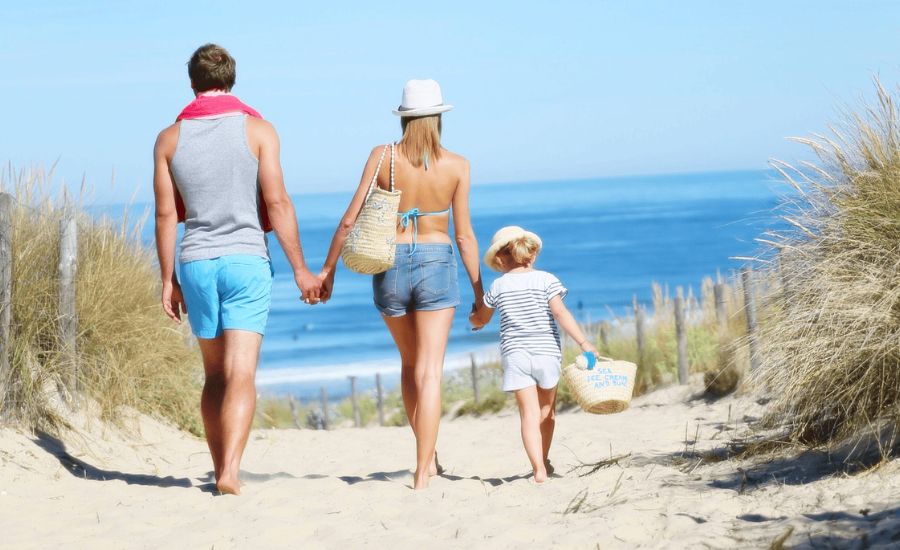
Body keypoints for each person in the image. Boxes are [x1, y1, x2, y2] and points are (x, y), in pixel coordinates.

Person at [153, 43, 321, 495]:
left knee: (215, 375)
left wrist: (167, 279)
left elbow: (167, 215)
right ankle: (230, 470)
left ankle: (217, 467)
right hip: (247, 259)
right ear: (231, 80)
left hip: (197, 263)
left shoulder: (169, 138)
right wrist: (302, 271)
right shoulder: (259, 131)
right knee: (241, 372)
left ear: (192, 83)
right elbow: (277, 202)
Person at [319, 79, 484, 490]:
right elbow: (464, 236)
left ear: (405, 117)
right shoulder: (458, 165)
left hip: (389, 262)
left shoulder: (383, 156)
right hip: (437, 260)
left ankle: (425, 457)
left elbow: (348, 220)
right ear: (439, 117)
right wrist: (481, 294)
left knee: (410, 366)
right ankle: (423, 470)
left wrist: (328, 271)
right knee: (430, 372)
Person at [470, 226, 599, 483]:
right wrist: (585, 343)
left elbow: (481, 319)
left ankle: (538, 469)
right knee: (546, 413)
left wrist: (474, 318)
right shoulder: (546, 280)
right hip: (546, 354)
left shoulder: (498, 285)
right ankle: (544, 459)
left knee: (528, 416)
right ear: (532, 255)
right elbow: (560, 314)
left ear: (499, 259)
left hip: (515, 355)